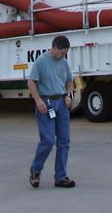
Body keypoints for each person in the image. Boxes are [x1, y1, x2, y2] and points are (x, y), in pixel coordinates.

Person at [27, 35, 76, 188]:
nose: (63, 55)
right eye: (62, 52)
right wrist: (37, 100)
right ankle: (35, 170)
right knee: (48, 140)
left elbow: (70, 81)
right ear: (54, 48)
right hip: (46, 104)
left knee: (64, 141)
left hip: (61, 103)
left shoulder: (64, 63)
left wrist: (68, 95)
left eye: (65, 53)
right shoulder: (41, 62)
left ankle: (60, 177)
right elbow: (31, 82)